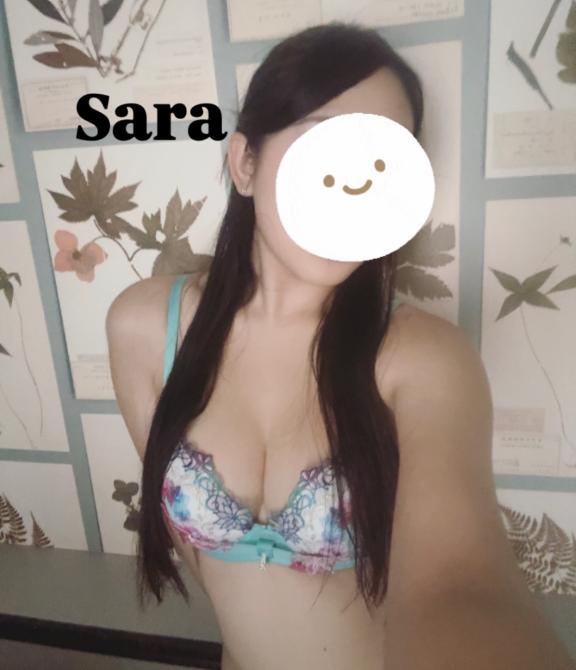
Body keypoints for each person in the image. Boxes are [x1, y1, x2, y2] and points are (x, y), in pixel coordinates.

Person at [105, 22, 575, 670]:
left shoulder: (424, 360)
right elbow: (193, 553)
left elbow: (461, 588)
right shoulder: (141, 327)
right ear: (245, 164)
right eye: (323, 144)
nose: (352, 184)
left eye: (382, 160)